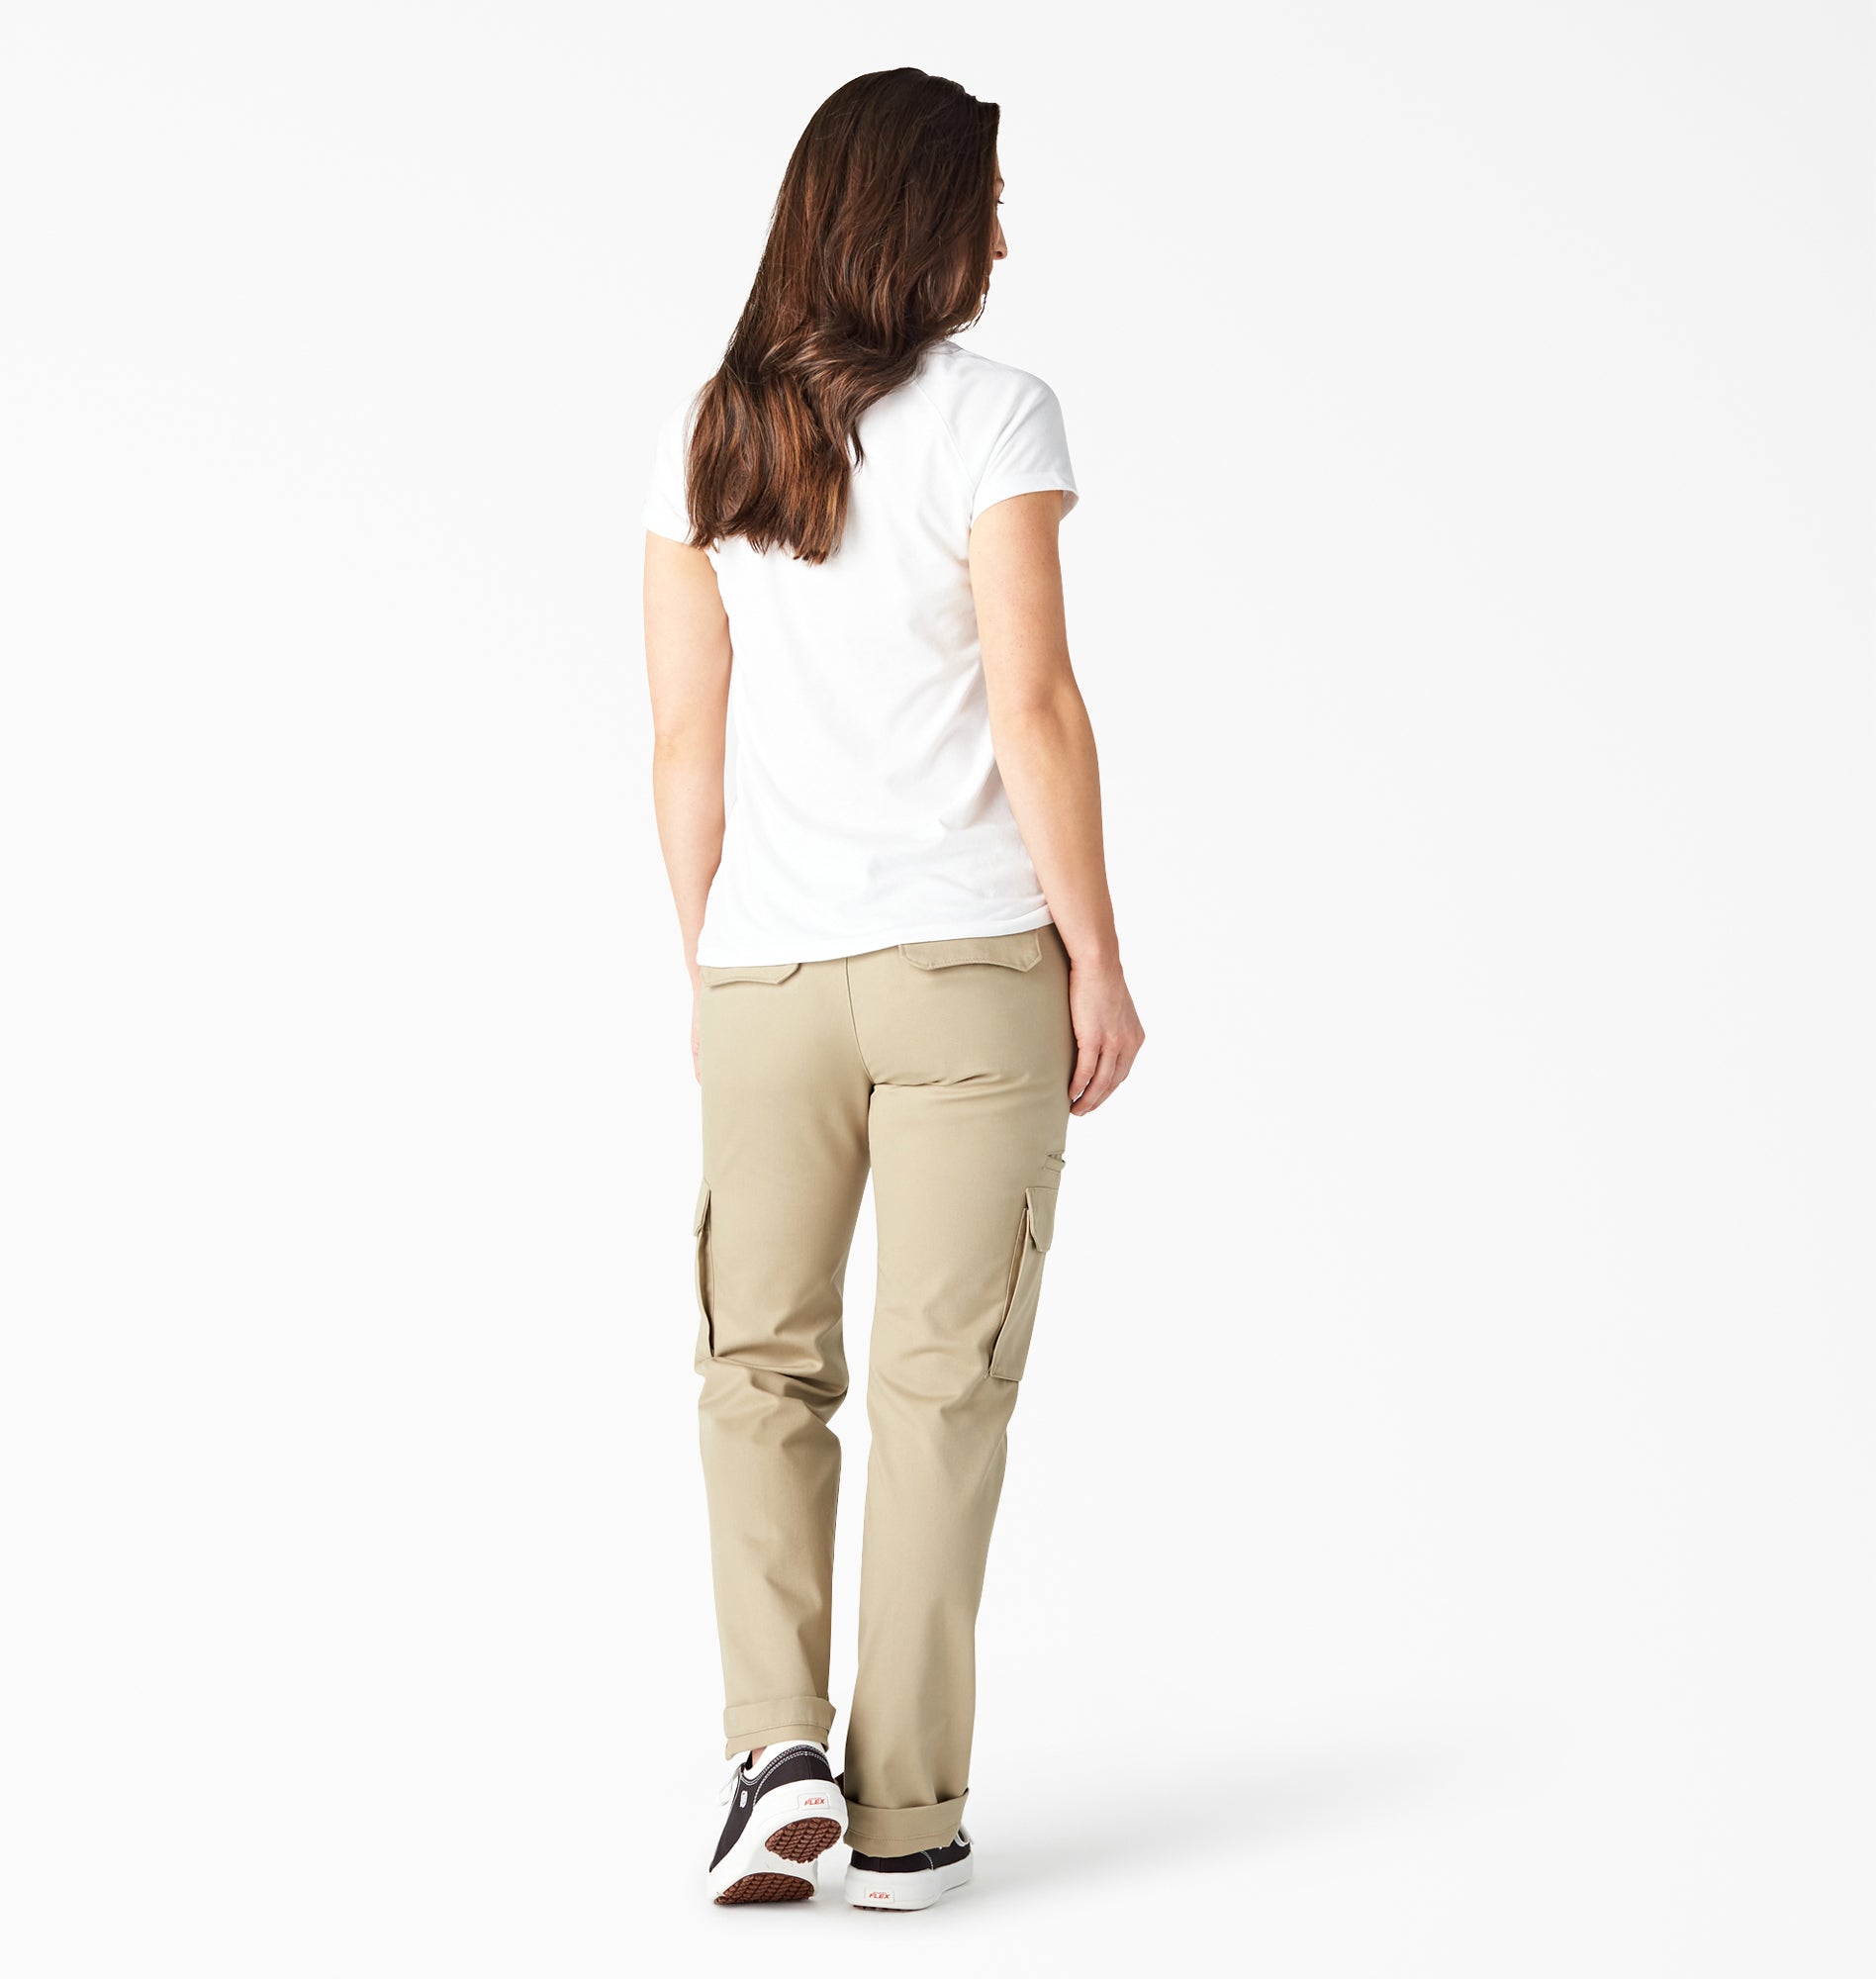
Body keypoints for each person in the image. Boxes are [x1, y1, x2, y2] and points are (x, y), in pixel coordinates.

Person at [642, 67, 1144, 1911]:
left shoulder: (712, 429)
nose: (1002, 238)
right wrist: (1100, 957)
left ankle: (773, 1751)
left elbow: (683, 740)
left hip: (766, 972)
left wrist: (714, 965)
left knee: (756, 1369)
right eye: (984, 202)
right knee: (946, 1394)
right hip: (967, 973)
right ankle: (906, 1819)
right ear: (916, 215)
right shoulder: (997, 414)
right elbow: (1037, 705)